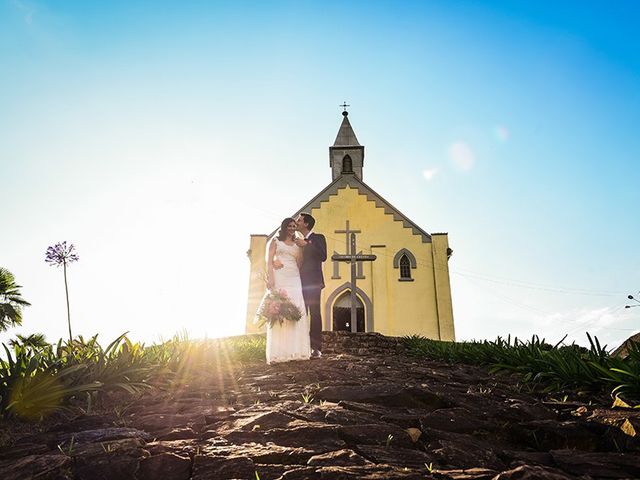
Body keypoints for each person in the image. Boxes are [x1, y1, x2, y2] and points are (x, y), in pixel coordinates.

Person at [264, 217, 310, 364]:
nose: (292, 228)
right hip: (280, 277)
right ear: (284, 227)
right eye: (289, 226)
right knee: (280, 311)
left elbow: (300, 262)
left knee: (296, 310)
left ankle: (296, 350)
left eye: (294, 226)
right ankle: (279, 352)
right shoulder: (276, 241)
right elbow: (269, 260)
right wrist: (271, 276)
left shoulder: (298, 244)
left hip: (294, 278)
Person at [295, 212, 327, 358]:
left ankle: (316, 348)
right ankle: (299, 346)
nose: (297, 222)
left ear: (306, 224)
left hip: (313, 282)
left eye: (299, 220)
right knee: (300, 313)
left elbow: (323, 255)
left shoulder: (318, 238)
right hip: (297, 281)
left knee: (314, 313)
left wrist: (307, 244)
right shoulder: (296, 241)